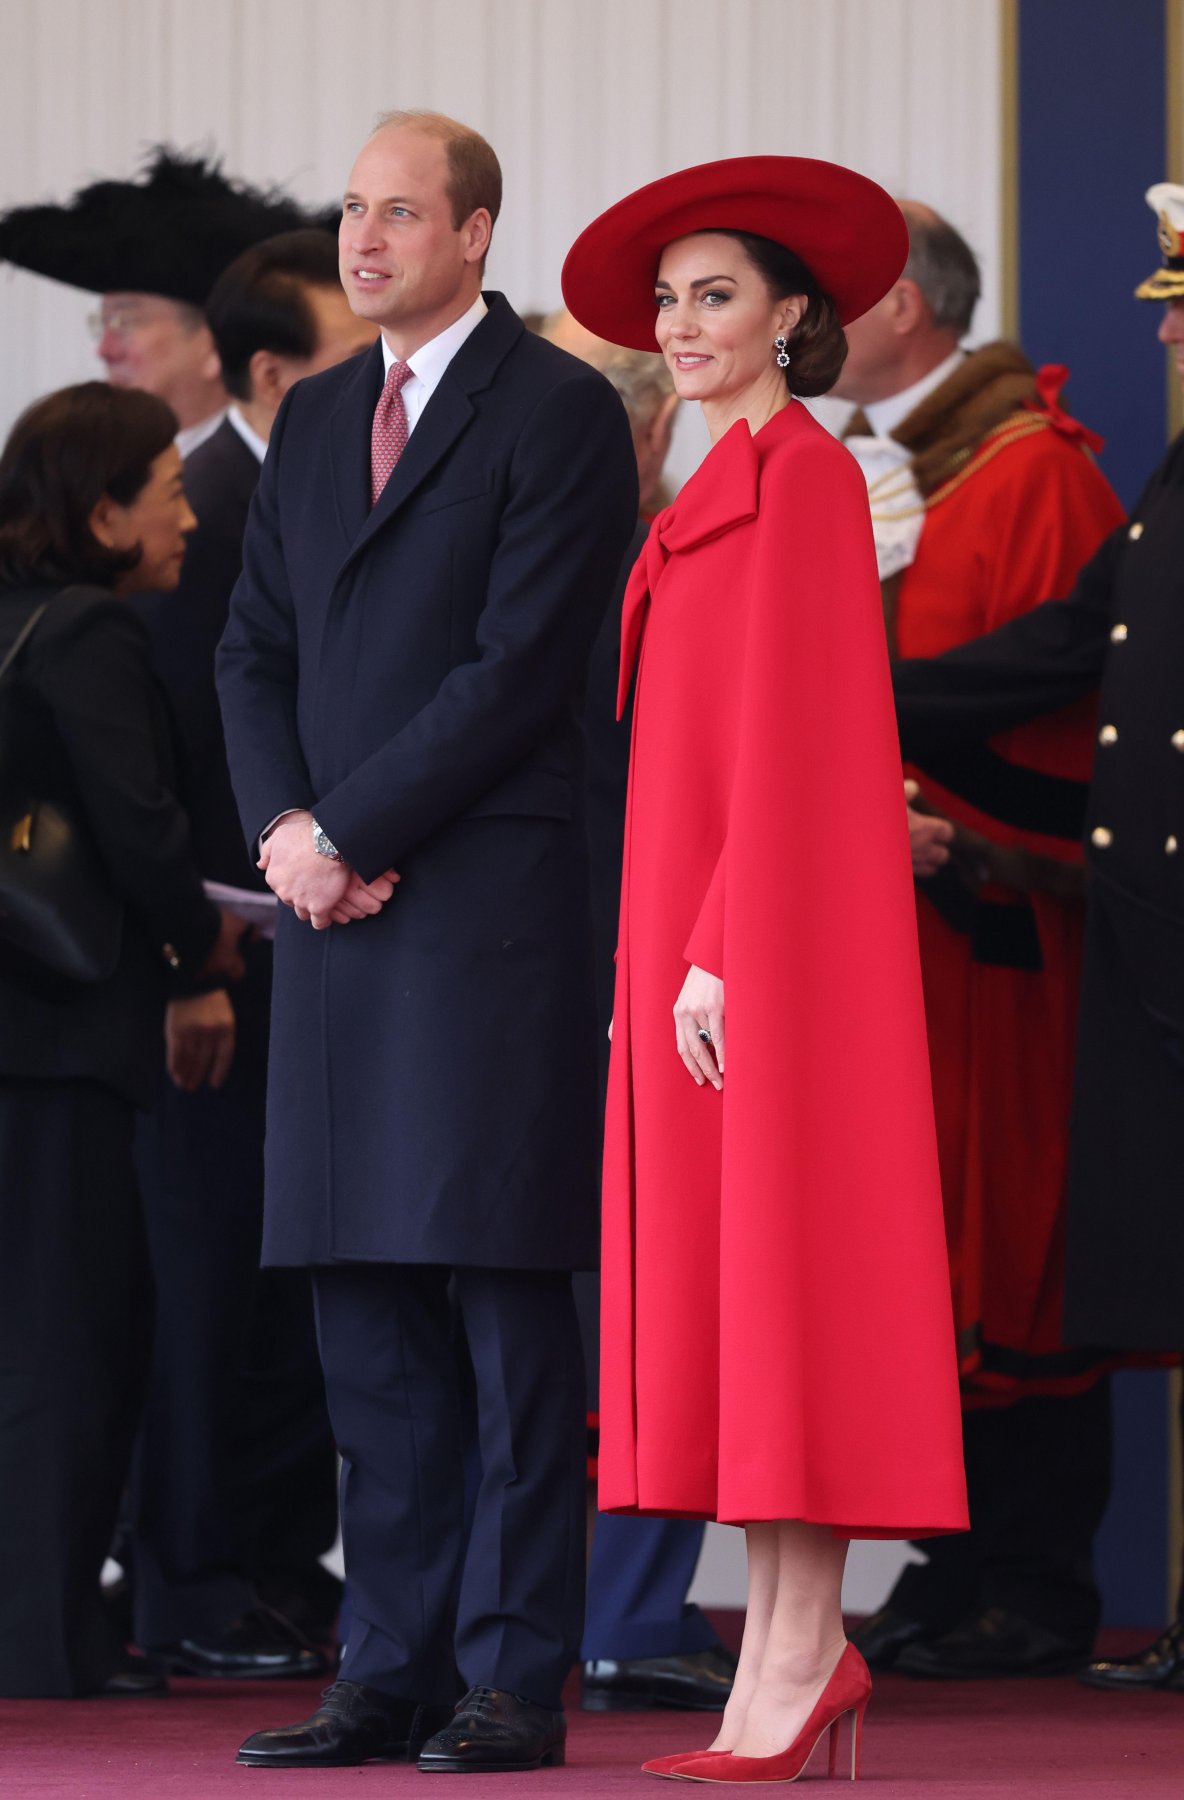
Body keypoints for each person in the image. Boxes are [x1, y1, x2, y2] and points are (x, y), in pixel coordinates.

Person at [216, 111, 638, 1772]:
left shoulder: (556, 412)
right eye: (351, 210)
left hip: (480, 917)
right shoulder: (319, 416)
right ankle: (381, 1667)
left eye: (400, 212)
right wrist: (287, 841)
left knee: (500, 1309)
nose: (364, 238)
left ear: (475, 234)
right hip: (337, 916)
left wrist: (350, 834)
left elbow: (524, 668)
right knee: (364, 1317)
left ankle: (509, 1677)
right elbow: (251, 651)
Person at [561, 156, 967, 1785]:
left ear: (794, 315)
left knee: (783, 1282)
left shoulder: (798, 476)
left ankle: (800, 1654)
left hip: (762, 946)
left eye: (715, 295)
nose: (682, 326)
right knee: (752, 1301)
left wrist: (719, 952)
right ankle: (791, 1659)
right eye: (670, 301)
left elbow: (801, 742)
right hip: (696, 942)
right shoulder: (714, 484)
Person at [890, 180, 1184, 1699]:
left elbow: (1065, 688)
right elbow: (1072, 643)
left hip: (1115, 923)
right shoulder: (1178, 473)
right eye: (1179, 317)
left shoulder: (1055, 470)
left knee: (1082, 1267)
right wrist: (848, 698)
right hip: (1133, 924)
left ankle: (1086, 1595)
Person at [831, 204, 1125, 1680]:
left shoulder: (1032, 474)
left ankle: (1033, 1579)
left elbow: (1067, 713)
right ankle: (943, 1572)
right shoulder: (870, 463)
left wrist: (921, 808)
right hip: (885, 932)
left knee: (1008, 1244)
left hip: (993, 925)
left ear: (902, 304)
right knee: (909, 1250)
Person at [125, 229, 377, 1679]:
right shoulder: (195, 513)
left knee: (296, 1286)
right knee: (209, 1284)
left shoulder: (309, 499)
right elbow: (163, 776)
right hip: (221, 959)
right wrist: (194, 961)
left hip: (315, 954)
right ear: (274, 371)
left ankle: (279, 1566)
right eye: (351, 357)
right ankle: (201, 1582)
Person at [0, 382, 245, 1698]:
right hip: (54, 1040)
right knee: (67, 1342)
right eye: (165, 484)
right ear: (101, 514)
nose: (190, 509)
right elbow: (140, 829)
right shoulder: (90, 630)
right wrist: (200, 948)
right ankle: (41, 1636)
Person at [537, 312, 737, 1714]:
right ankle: (628, 1607)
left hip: (527, 955)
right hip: (639, 951)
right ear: (652, 425)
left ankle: (565, 1610)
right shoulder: (656, 554)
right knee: (644, 1287)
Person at [0, 147, 336, 455]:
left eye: (124, 321)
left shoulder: (278, 474)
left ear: (213, 346)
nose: (104, 349)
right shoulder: (97, 470)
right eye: (102, 323)